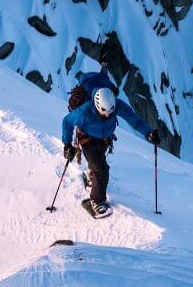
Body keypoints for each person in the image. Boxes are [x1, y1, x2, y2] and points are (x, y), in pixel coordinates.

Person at [62, 86, 160, 217]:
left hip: (104, 139)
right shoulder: (84, 112)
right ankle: (96, 201)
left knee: (98, 163)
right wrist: (67, 144)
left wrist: (149, 133)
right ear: (96, 105)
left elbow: (133, 119)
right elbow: (67, 122)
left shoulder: (117, 105)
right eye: (104, 111)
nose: (107, 114)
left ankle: (92, 178)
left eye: (110, 111)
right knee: (102, 170)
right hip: (87, 140)